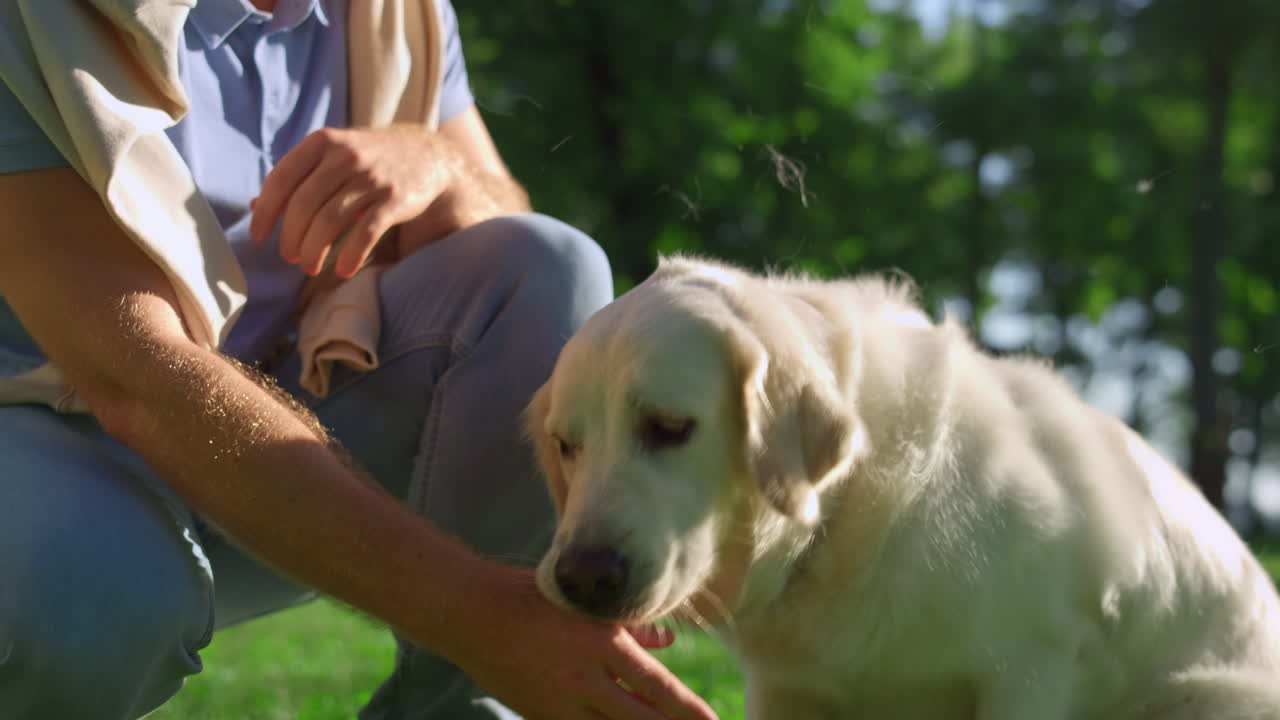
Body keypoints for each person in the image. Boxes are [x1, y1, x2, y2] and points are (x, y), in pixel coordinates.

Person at [0, 1, 718, 719]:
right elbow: (137, 376)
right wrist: (481, 618)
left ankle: (456, 710)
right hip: (50, 439)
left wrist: (437, 162)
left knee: (550, 262)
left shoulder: (394, 11)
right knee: (83, 594)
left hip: (295, 410)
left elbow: (505, 206)